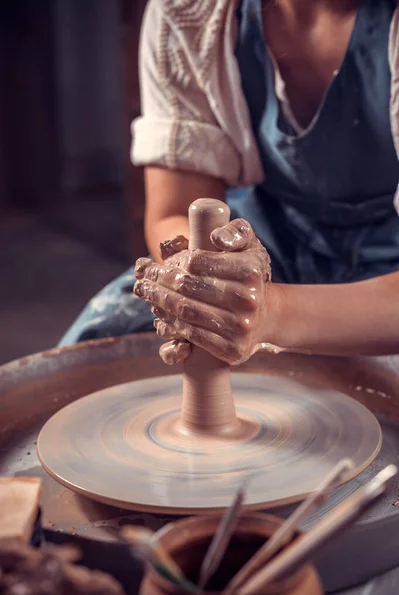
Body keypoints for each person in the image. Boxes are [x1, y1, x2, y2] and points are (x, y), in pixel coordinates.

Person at [60, 0, 399, 363]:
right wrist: (210, 285)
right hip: (265, 239)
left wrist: (273, 312)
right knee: (97, 343)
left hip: (388, 267)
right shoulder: (189, 10)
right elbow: (175, 209)